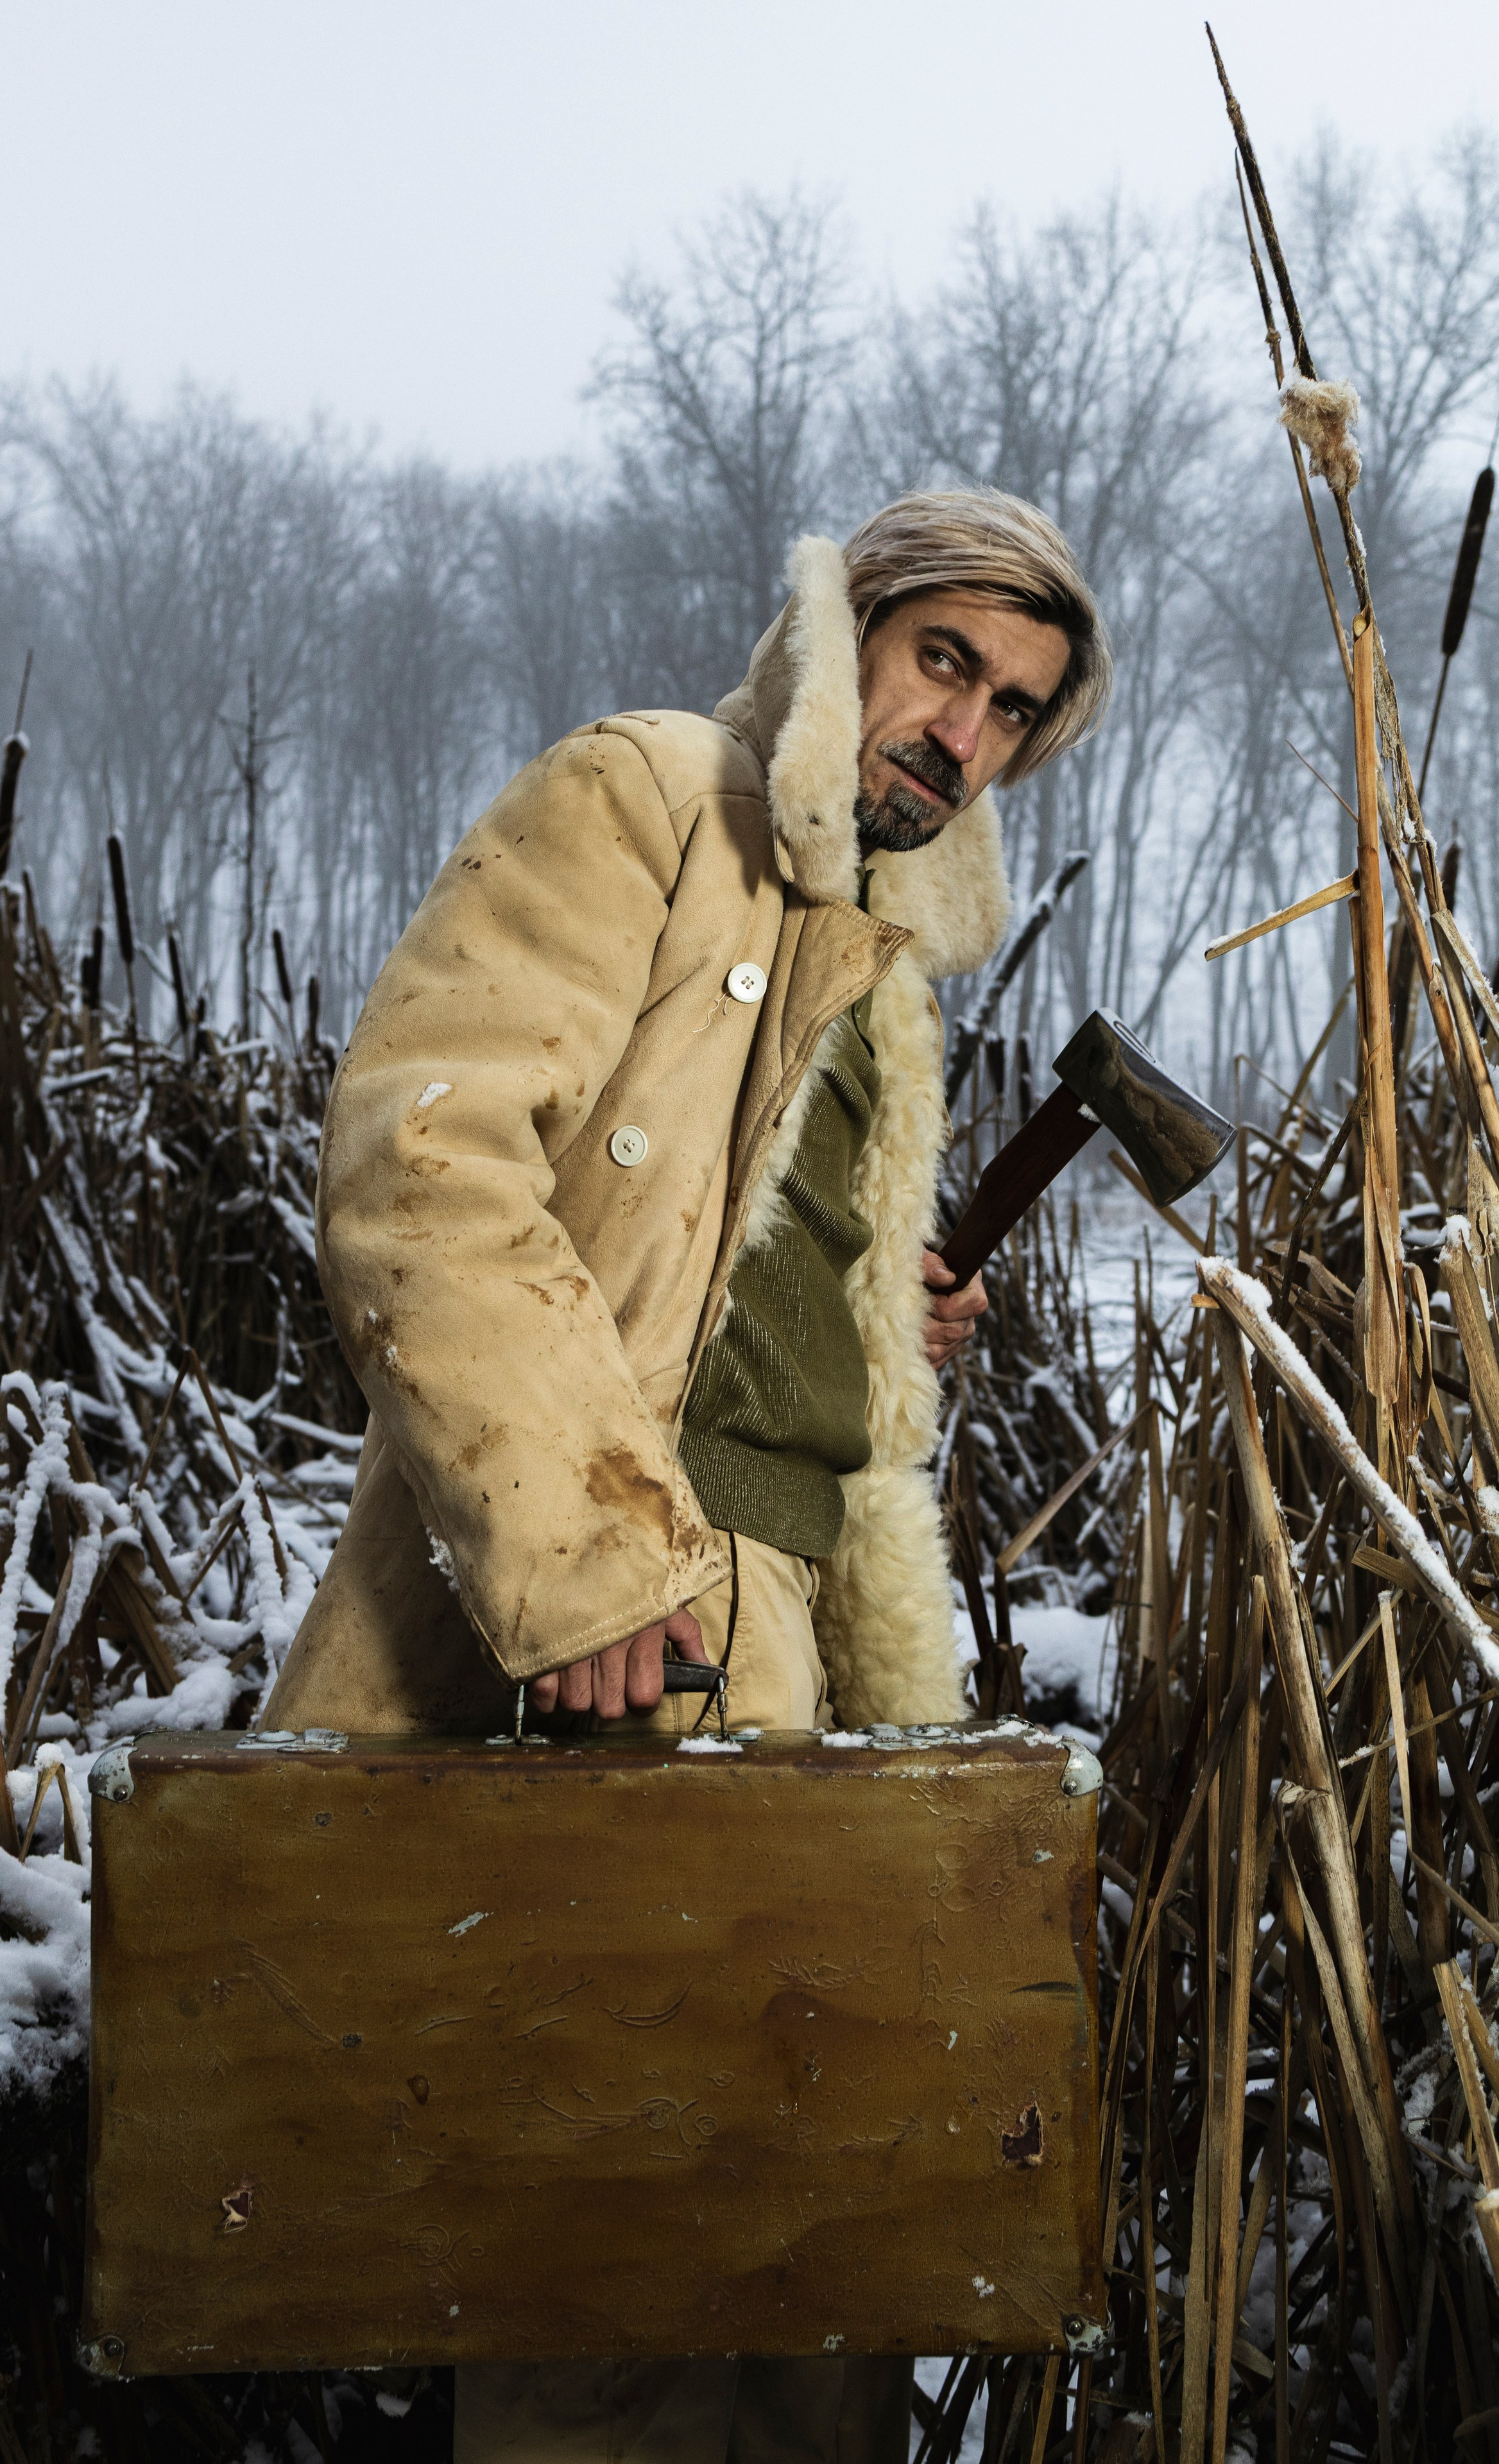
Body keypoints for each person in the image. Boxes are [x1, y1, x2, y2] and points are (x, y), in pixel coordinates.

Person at [266, 490, 1111, 2460]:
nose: (962, 734)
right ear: (849, 629)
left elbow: (714, 1237)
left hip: (809, 1619)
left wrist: (872, 1311)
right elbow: (427, 1155)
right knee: (620, 2264)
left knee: (818, 2275)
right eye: (944, 665)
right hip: (650, 1614)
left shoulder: (872, 959)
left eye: (1011, 714)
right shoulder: (653, 795)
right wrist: (583, 1571)